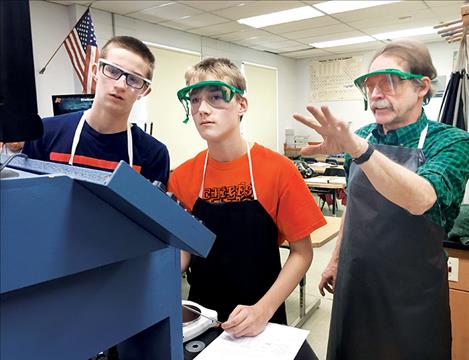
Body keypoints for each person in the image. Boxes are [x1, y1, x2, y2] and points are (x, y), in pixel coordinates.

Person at [294, 40, 469, 360]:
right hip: (356, 281)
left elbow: (422, 198)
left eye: (388, 81)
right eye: (369, 85)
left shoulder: (451, 141)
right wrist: (334, 260)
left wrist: (359, 149)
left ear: (422, 87)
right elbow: (353, 206)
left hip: (412, 293)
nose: (375, 93)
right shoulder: (361, 137)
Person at [169, 58, 326, 357]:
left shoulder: (279, 170)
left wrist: (263, 310)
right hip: (204, 320)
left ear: (241, 104)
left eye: (215, 97)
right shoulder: (183, 177)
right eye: (194, 99)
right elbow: (183, 254)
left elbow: (302, 252)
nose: (203, 108)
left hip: (264, 318)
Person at [23, 36, 169, 184]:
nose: (120, 85)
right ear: (95, 71)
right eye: (112, 71)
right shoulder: (45, 132)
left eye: (134, 79)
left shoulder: (153, 154)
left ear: (144, 91)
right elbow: (26, 195)